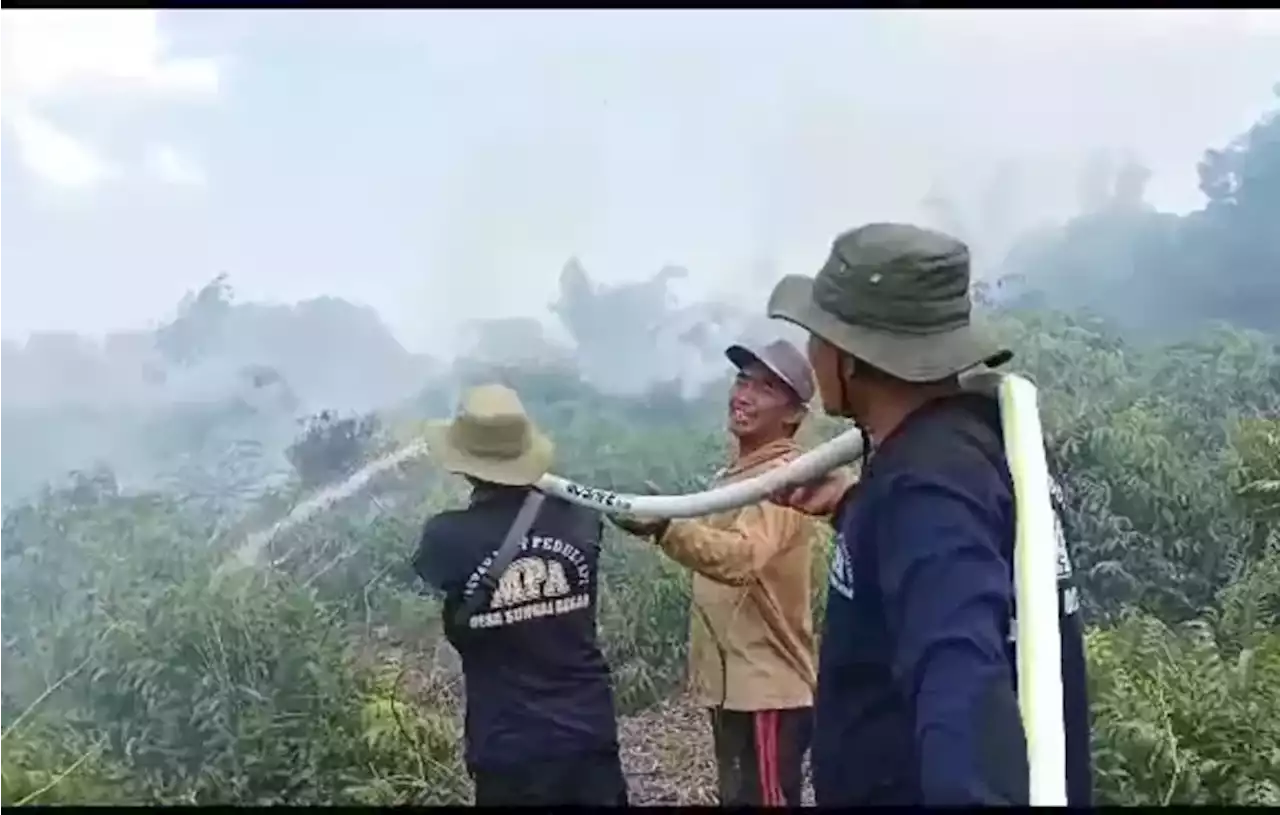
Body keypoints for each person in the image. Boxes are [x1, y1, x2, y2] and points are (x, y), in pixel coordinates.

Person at [764, 222, 1093, 806]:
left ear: (853, 359)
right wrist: (854, 509)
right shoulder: (973, 445)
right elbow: (949, 575)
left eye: (820, 336)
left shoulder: (928, 490)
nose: (812, 354)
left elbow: (961, 695)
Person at [611, 339, 823, 807]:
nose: (743, 394)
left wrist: (666, 525)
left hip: (769, 690)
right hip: (734, 690)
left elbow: (742, 558)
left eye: (765, 388)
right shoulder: (740, 474)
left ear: (793, 416)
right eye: (742, 380)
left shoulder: (785, 478)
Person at [410, 383, 628, 807]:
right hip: (588, 733)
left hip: (508, 745)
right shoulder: (581, 518)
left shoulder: (445, 536)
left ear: (464, 464)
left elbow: (432, 581)